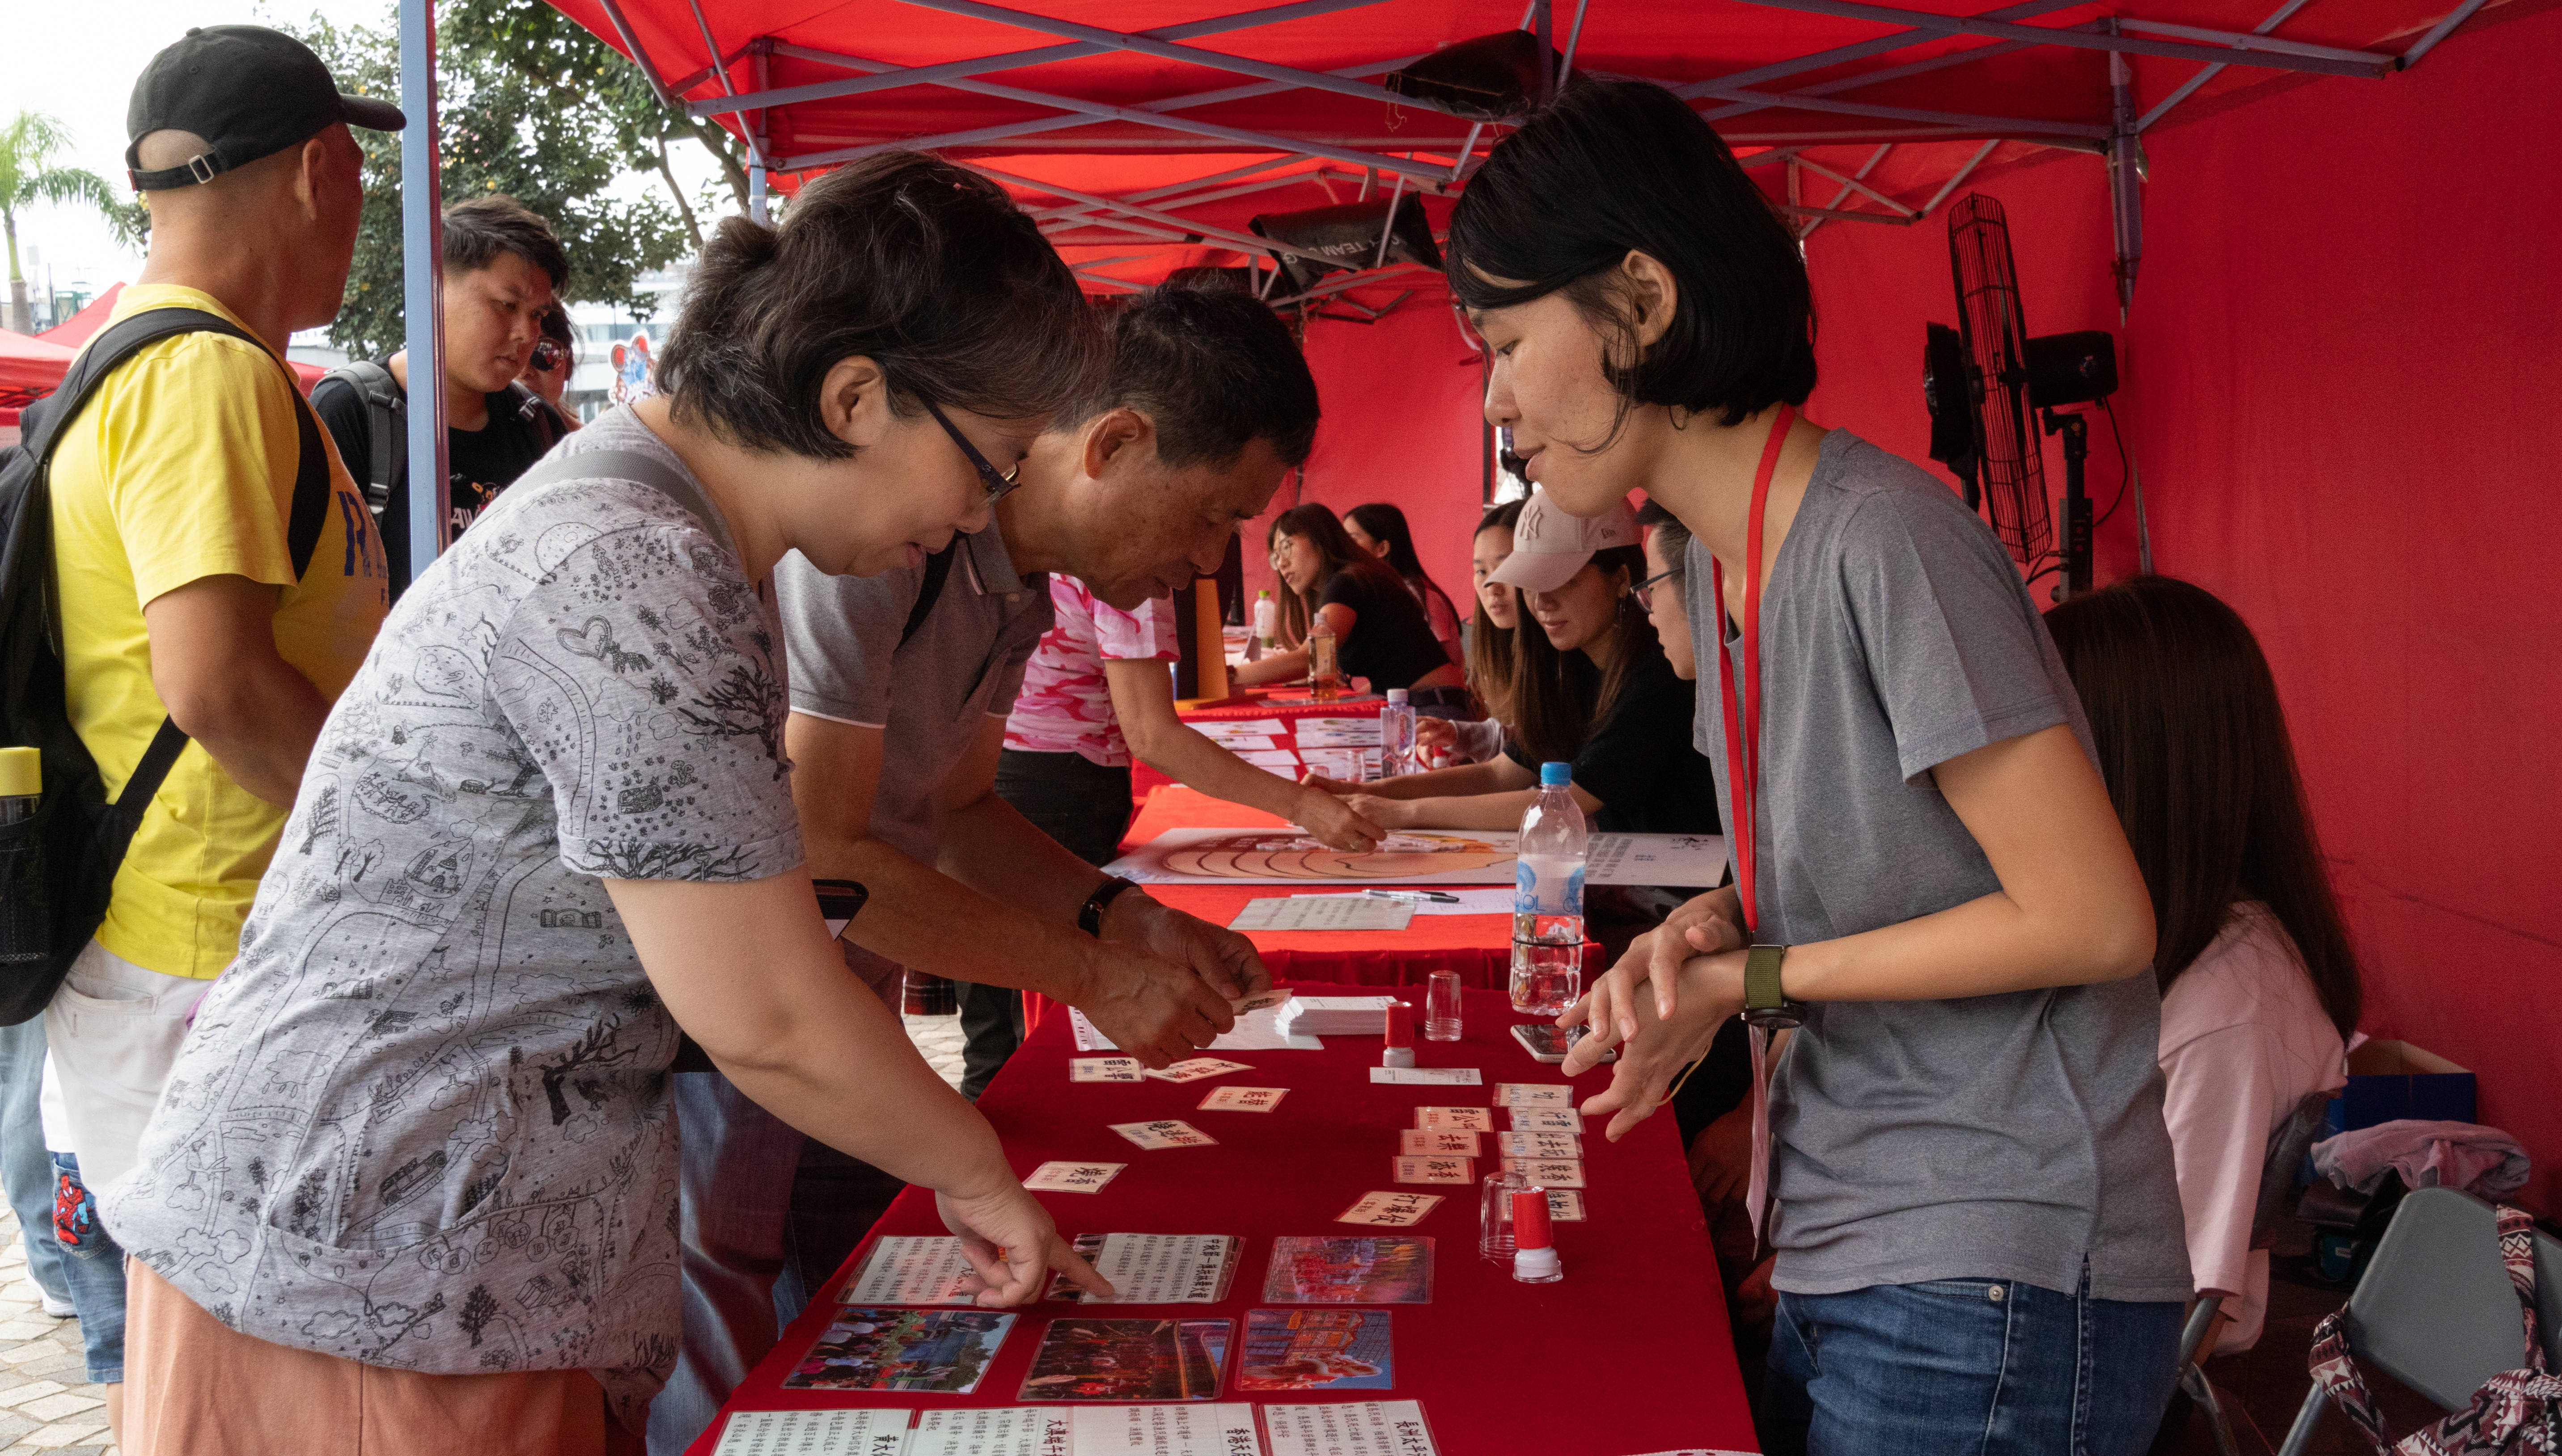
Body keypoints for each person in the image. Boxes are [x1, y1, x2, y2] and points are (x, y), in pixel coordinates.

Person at [101, 150, 1111, 1456]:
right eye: (994, 463)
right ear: (857, 397)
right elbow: (765, 1009)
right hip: (371, 1278)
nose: (983, 512)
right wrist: (973, 1169)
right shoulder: (636, 564)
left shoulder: (678, 538)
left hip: (437, 1262)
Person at [1451, 80, 2187, 1454]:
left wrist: (1752, 978)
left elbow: (2090, 914)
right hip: (1868, 1236)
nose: (1496, 403)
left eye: (1503, 342)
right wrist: (1709, 925)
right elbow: (1870, 870)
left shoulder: (1882, 539)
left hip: (1991, 1265)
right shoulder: (1729, 572)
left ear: (1642, 305)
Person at [656, 284, 1322, 1454]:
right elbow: (823, 850)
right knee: (724, 1373)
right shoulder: (885, 538)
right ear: (1113, 445)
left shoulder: (1016, 581)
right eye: (1215, 515)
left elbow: (959, 812)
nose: (1210, 562)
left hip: (842, 1022)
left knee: (851, 1340)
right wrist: (1091, 978)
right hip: (723, 1031)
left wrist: (1128, 927)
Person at [39, 28, 400, 1446]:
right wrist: (398, 862)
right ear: (320, 170)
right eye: (357, 173)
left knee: (219, 1374)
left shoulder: (142, 360)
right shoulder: (207, 377)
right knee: (253, 1385)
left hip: (189, 946)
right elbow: (217, 684)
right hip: (214, 952)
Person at [2046, 575, 2359, 1358]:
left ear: (2121, 763)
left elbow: (2175, 1307)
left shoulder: (2227, 1006)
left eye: (2036, 745)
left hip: (2088, 1352)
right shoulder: (2156, 940)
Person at [1319, 489, 1716, 836]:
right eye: (1531, 585)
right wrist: (1368, 793)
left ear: (1621, 578)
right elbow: (1501, 773)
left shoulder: (1658, 672)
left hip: (1681, 898)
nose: (1541, 603)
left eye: (1564, 581)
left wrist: (1402, 812)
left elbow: (1567, 802)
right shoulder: (1573, 665)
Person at [312, 193, 572, 597]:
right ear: (433, 286)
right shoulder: (351, 412)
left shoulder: (537, 426)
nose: (526, 333)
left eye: (537, 315)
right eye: (507, 304)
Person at [1231, 505, 1467, 706]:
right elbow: (1391, 674)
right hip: (1417, 702)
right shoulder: (1344, 583)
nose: (1282, 563)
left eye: (1287, 547)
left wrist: (1230, 676)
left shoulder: (1347, 581)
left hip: (1436, 706)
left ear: (1319, 538)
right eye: (1275, 556)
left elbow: (1308, 659)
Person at [1416, 498, 1524, 767]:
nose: (1492, 585)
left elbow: (1535, 762)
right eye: (1481, 570)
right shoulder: (1499, 648)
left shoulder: (1566, 653)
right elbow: (1522, 743)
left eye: (1506, 567)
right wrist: (1458, 737)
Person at [1344, 502, 1466, 668]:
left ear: (1383, 548)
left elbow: (1426, 666)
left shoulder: (1417, 595)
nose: (1344, 549)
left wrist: (1362, 693)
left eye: (1352, 540)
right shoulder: (1381, 593)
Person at [518, 304, 582, 429]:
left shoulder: (595, 446)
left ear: (568, 363)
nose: (524, 371)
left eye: (542, 352)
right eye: (510, 355)